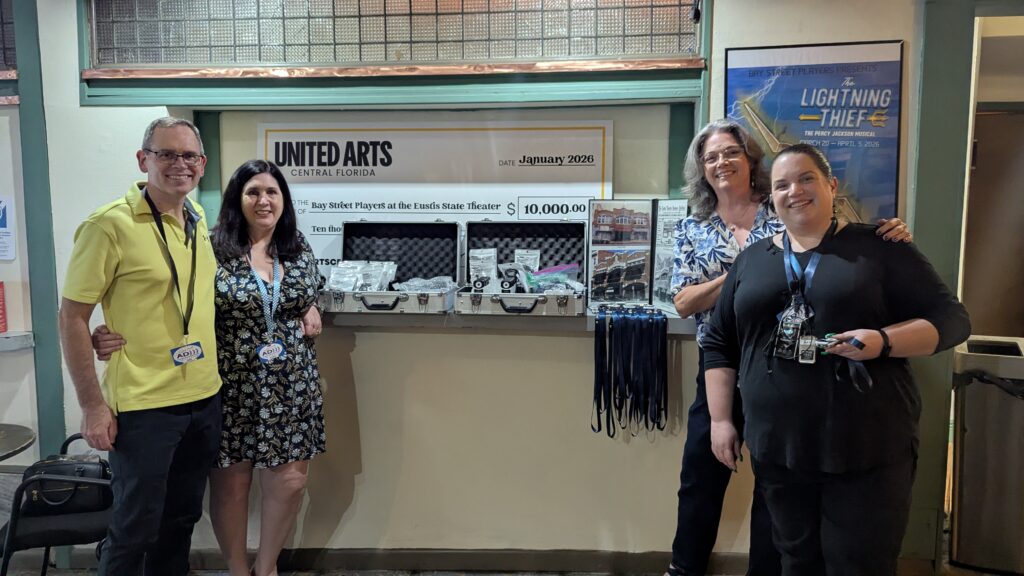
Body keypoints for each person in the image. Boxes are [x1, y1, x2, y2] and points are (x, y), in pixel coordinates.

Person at [703, 143, 970, 576]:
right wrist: (720, 421)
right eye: (782, 185)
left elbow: (953, 320)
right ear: (772, 197)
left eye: (806, 178)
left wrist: (883, 341)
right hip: (780, 450)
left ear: (832, 185)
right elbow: (718, 341)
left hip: (866, 447)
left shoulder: (881, 247)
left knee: (858, 565)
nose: (794, 191)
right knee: (797, 563)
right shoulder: (751, 260)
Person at [668, 120, 911, 576]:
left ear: (750, 159)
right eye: (710, 157)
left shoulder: (783, 205)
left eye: (731, 152)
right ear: (701, 169)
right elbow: (683, 302)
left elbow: (836, 240)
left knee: (774, 483)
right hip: (721, 365)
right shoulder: (692, 227)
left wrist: (890, 232)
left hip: (784, 367)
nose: (721, 162)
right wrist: (743, 274)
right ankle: (684, 568)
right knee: (701, 474)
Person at [94, 160, 326, 576]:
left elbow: (310, 287)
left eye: (272, 192)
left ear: (284, 200)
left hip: (292, 385)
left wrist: (310, 305)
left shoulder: (297, 245)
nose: (264, 200)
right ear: (238, 198)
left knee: (290, 481)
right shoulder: (211, 243)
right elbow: (169, 297)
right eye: (253, 192)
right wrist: (109, 331)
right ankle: (237, 569)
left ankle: (267, 568)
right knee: (232, 483)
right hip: (230, 381)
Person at [59, 117, 223, 575]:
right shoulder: (108, 225)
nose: (179, 164)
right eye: (166, 153)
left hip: (203, 398)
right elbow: (71, 317)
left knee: (181, 521)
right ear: (142, 159)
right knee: (135, 528)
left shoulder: (197, 218)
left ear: (202, 164)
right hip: (144, 407)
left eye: (189, 155)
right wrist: (92, 406)